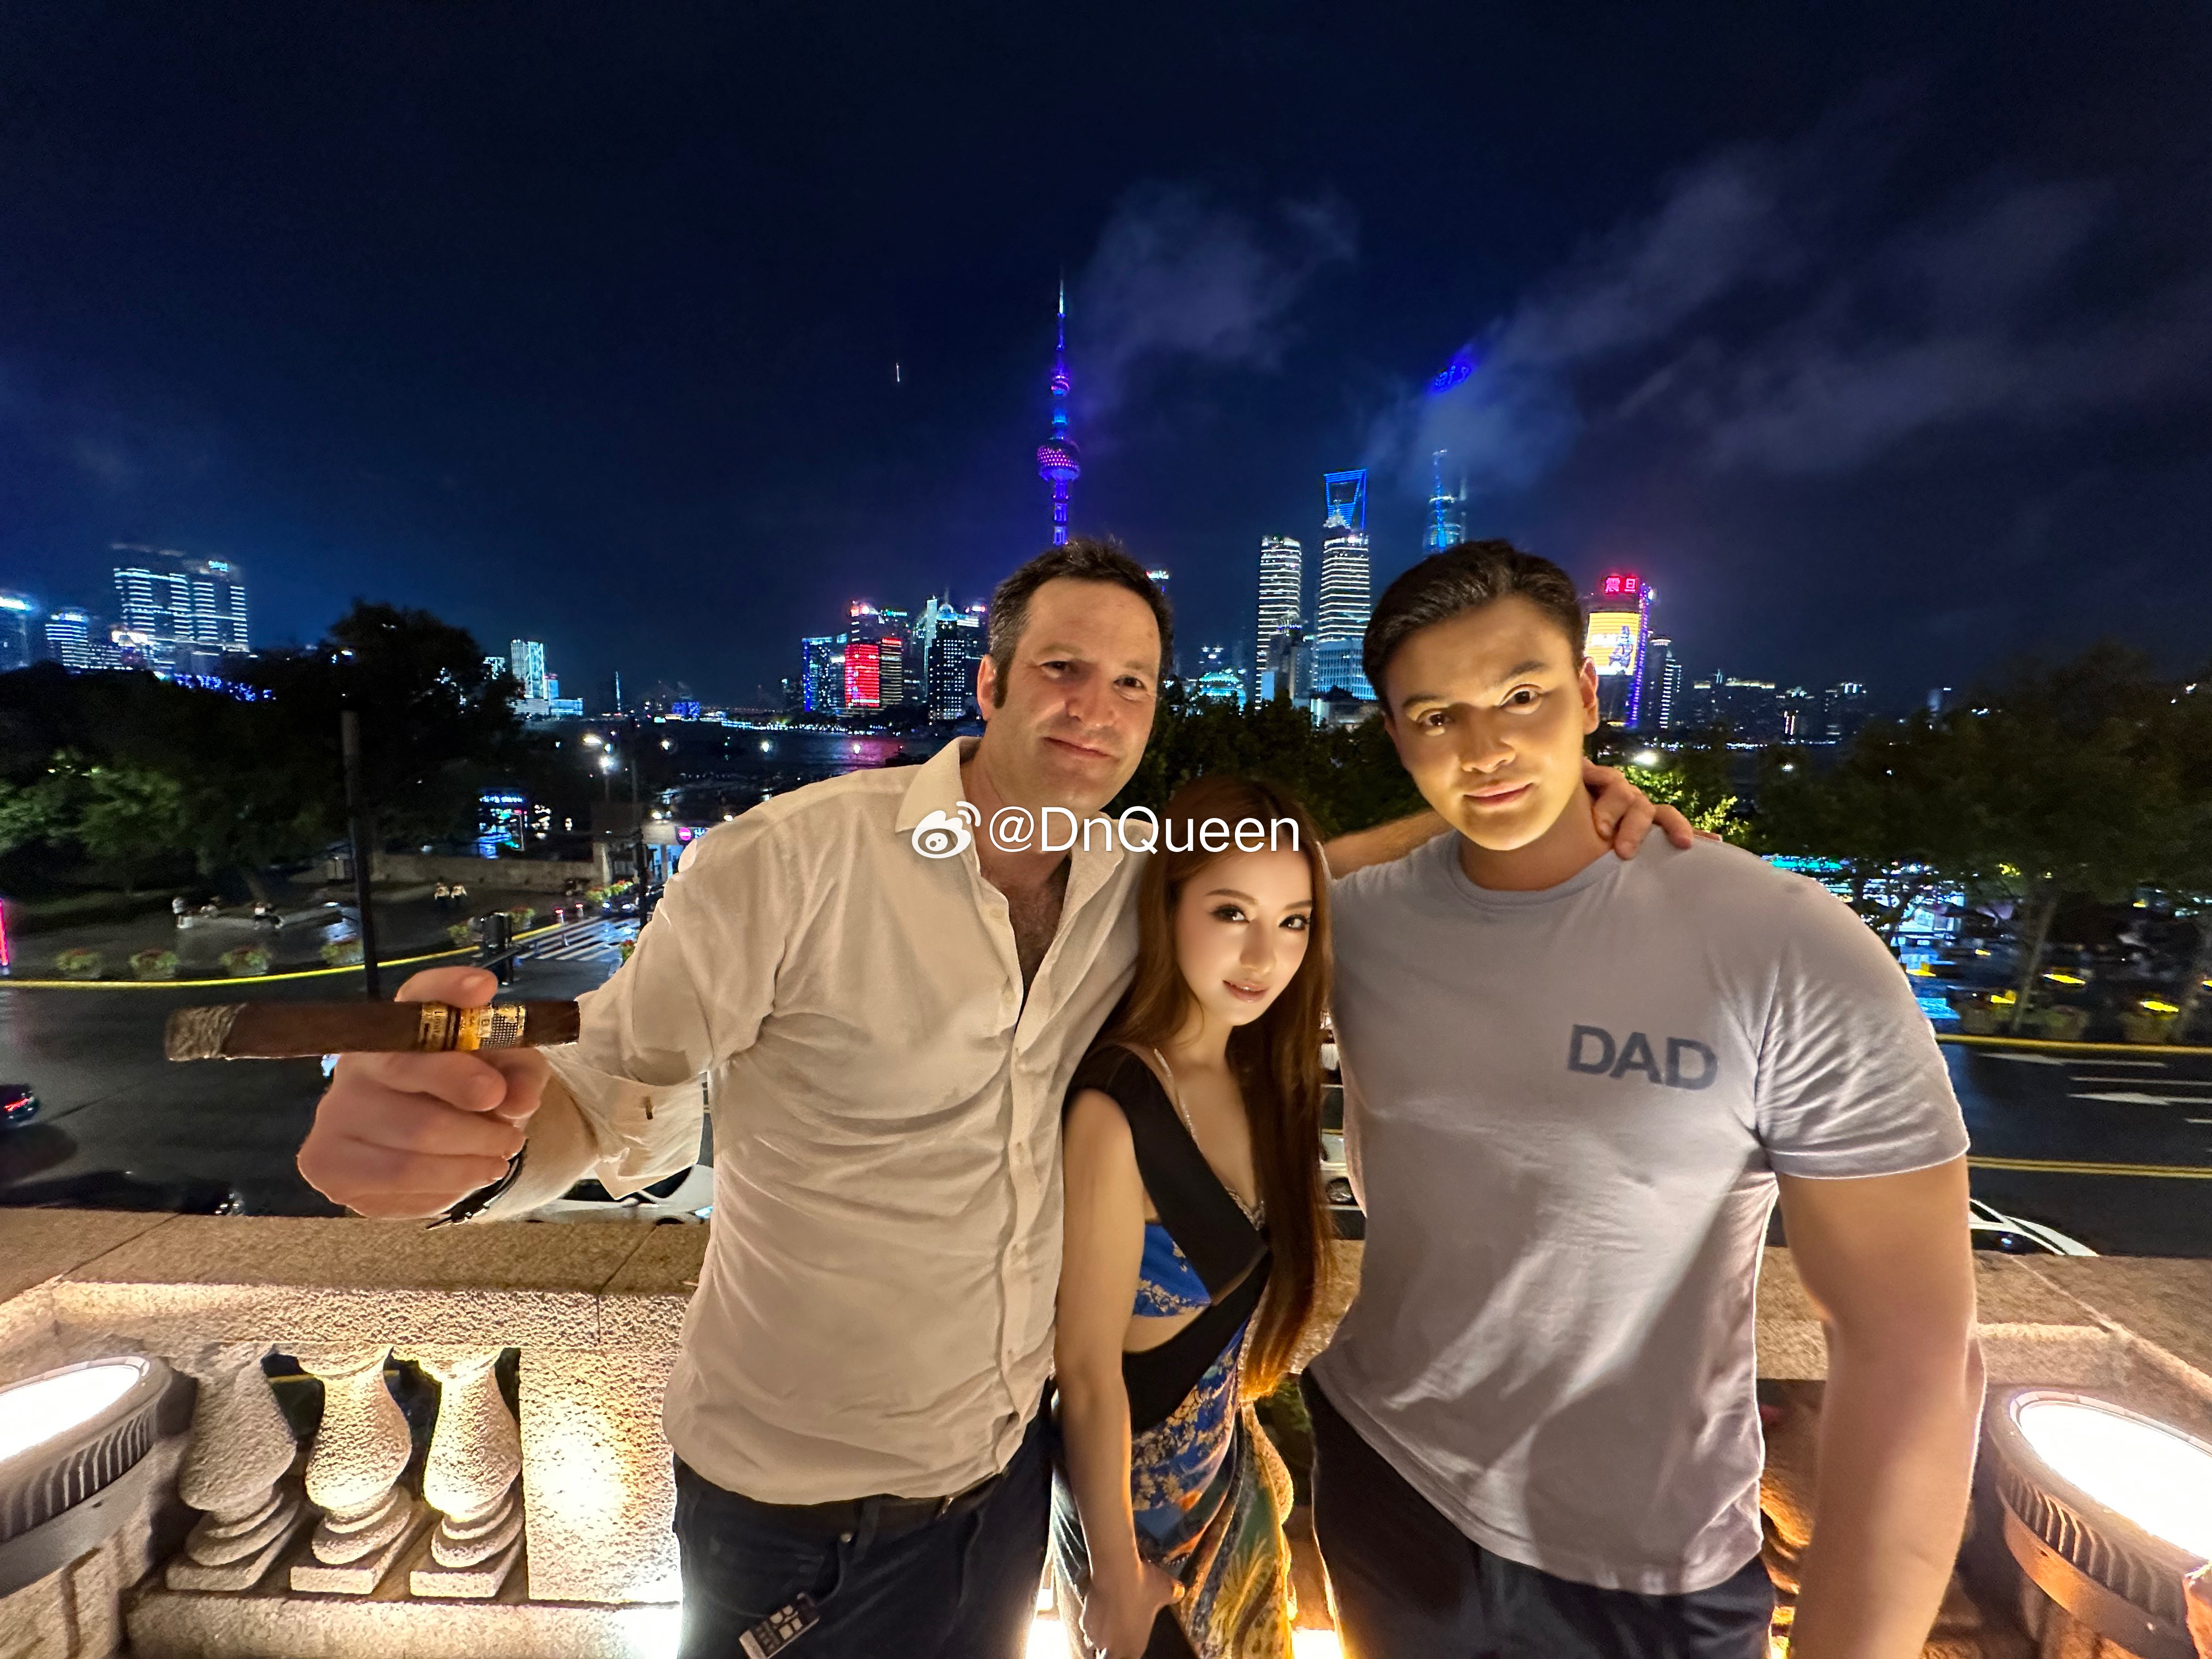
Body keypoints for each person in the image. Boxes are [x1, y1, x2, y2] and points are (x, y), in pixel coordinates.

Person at [294, 538, 1688, 1659]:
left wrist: (1549, 801)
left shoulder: (1132, 887)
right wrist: (480, 1144)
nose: (1098, 708)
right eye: (1065, 670)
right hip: (804, 1506)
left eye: (1134, 683)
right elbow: (615, 1077)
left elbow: (1298, 870)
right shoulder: (789, 864)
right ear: (992, 684)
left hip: (1011, 1481)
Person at [1304, 542, 1984, 1659]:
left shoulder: (1783, 947)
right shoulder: (1361, 923)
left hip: (1651, 1565)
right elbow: (1177, 904)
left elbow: (1913, 1351)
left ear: (1587, 692)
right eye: (1437, 719)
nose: (1487, 748)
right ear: (1394, 737)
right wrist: (1452, 815)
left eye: (1523, 697)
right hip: (1389, 1486)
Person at [1053, 776, 1330, 1659]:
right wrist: (1115, 1580)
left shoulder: (1259, 1079)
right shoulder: (1117, 1107)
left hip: (1230, 1498)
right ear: (1167, 906)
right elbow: (1085, 1373)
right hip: (1136, 1544)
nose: (1264, 955)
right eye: (1230, 912)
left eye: (1294, 922)